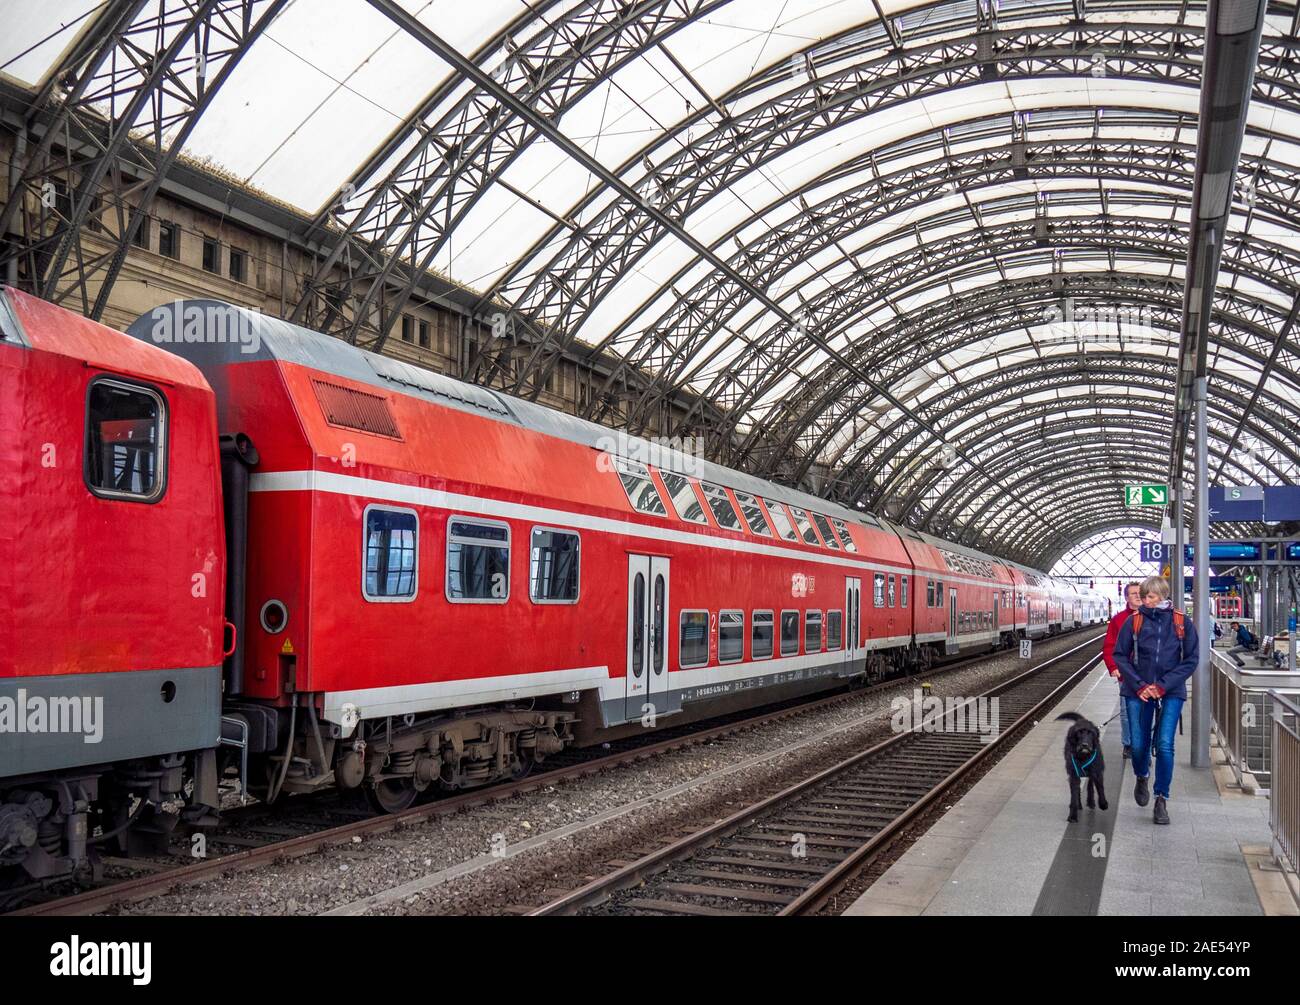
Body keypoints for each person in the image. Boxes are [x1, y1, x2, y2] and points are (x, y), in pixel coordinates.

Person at [1113, 576, 1200, 826]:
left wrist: (1163, 686)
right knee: (1138, 745)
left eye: (1150, 597)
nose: (1145, 601)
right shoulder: (1134, 622)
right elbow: (1120, 655)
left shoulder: (1181, 623)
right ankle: (1142, 775)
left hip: (1170, 692)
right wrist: (1140, 686)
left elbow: (1191, 659)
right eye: (1144, 596)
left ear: (1162, 596)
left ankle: (1162, 797)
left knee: (1164, 745)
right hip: (1137, 691)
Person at [1102, 582, 1142, 759]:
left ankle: (1142, 744)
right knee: (1126, 711)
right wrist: (1113, 667)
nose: (1137, 596)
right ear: (1127, 597)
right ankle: (1129, 744)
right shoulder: (1118, 620)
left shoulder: (1154, 617)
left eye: (1140, 593)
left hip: (1148, 673)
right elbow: (1109, 646)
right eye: (1133, 593)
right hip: (1126, 673)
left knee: (1147, 711)